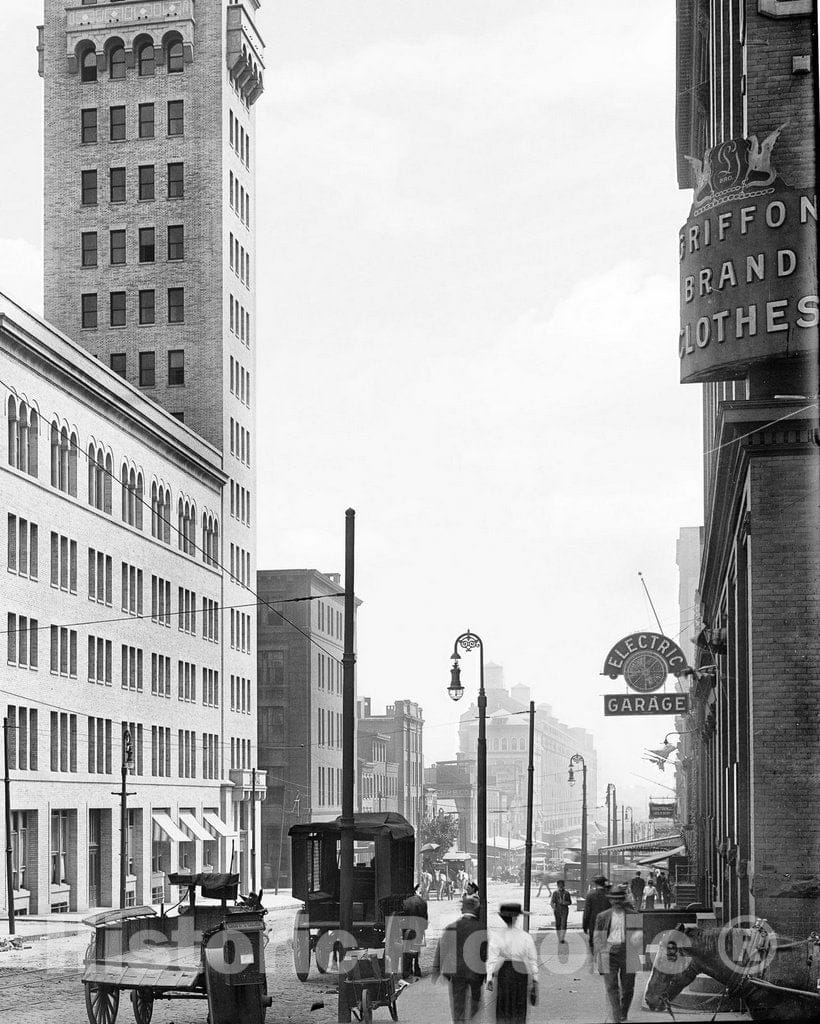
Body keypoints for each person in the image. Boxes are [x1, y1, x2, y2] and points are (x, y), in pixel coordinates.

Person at [432, 894, 488, 1022]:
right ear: (476, 910)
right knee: (475, 1002)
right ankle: (472, 1020)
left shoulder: (451, 927)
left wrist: (437, 970)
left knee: (458, 1004)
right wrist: (486, 973)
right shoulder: (480, 928)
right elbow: (485, 953)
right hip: (475, 973)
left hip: (456, 972)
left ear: (462, 910)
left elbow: (442, 948)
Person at [487, 902, 538, 1023]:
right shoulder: (525, 937)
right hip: (521, 971)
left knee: (504, 1004)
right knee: (519, 1004)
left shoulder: (498, 936)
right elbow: (532, 960)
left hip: (505, 971)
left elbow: (492, 958)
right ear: (516, 918)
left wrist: (490, 977)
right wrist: (535, 980)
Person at [593, 883, 636, 1024]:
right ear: (610, 900)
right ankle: (616, 1018)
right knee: (611, 987)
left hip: (628, 953)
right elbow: (598, 938)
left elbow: (641, 936)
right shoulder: (602, 916)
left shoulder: (634, 915)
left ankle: (623, 1013)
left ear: (623, 899)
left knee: (628, 988)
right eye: (613, 899)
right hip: (608, 954)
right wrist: (599, 957)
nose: (616, 901)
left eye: (619, 899)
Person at [401, 884, 428, 980]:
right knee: (417, 947)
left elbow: (403, 918)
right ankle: (417, 968)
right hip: (419, 928)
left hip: (409, 929)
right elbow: (425, 917)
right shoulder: (423, 902)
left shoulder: (406, 902)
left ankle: (407, 971)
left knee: (407, 949)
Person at [582, 875, 610, 952]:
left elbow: (587, 912)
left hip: (594, 924)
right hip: (608, 924)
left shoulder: (590, 895)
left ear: (595, 883)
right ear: (604, 883)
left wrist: (585, 926)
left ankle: (596, 960)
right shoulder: (610, 894)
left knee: (594, 944)